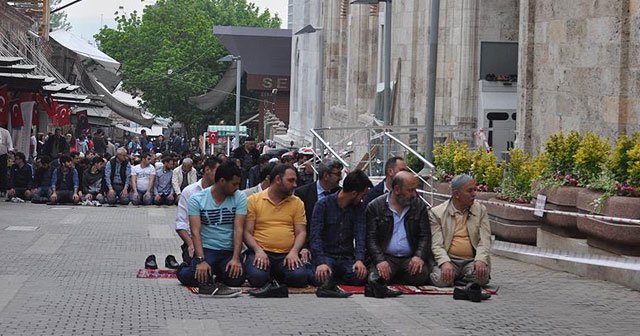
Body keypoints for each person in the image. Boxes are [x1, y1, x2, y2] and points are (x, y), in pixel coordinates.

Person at [176, 161, 247, 297]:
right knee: (194, 277)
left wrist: (236, 258)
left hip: (227, 250)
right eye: (234, 184)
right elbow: (195, 232)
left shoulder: (240, 197)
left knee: (237, 278)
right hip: (207, 249)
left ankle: (218, 273)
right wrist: (201, 260)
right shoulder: (197, 199)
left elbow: (239, 229)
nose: (237, 188)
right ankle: (184, 267)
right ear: (222, 181)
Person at [365, 171, 432, 298]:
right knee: (376, 277)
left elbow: (425, 235)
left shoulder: (419, 206)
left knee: (422, 275)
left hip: (409, 258)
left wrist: (419, 256)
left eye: (415, 190)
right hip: (386, 257)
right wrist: (379, 260)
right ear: (396, 190)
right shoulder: (375, 206)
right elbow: (371, 238)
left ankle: (396, 276)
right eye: (410, 190)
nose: (414, 194)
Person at [243, 164, 310, 288]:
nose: (295, 185)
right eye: (291, 180)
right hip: (261, 252)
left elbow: (301, 232)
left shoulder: (297, 202)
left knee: (299, 277)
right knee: (257, 278)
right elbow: (247, 232)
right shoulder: (254, 200)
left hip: (287, 254)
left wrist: (295, 252)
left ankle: (276, 274)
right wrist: (258, 251)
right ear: (278, 180)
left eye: (295, 180)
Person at [310, 170, 372, 296]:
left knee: (361, 276)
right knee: (322, 276)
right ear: (354, 193)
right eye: (362, 195)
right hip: (327, 255)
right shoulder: (323, 204)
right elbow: (315, 236)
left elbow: (360, 234)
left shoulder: (359, 208)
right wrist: (320, 261)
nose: (363, 198)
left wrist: (359, 260)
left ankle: (338, 278)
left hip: (346, 258)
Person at [429, 174, 492, 287]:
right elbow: (436, 244)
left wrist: (480, 260)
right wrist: (444, 262)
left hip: (471, 260)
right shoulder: (437, 213)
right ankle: (458, 278)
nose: (474, 194)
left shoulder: (481, 210)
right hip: (450, 259)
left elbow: (485, 240)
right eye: (469, 191)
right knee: (442, 280)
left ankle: (461, 278)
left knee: (482, 277)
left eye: (475, 190)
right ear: (456, 194)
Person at [294, 159, 344, 264]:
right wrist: (303, 247)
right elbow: (299, 224)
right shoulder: (302, 193)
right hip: (308, 246)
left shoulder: (340, 194)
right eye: (338, 174)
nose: (340, 178)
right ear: (326, 176)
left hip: (333, 249)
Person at [175, 157, 220, 264]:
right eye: (217, 171)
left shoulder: (223, 192)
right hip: (194, 241)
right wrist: (190, 244)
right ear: (207, 170)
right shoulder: (189, 192)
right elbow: (181, 223)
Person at [0, 126, 14, 197]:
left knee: (3, 172)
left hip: (2, 154)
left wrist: (10, 150)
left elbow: (9, 143)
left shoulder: (5, 132)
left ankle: (2, 190)